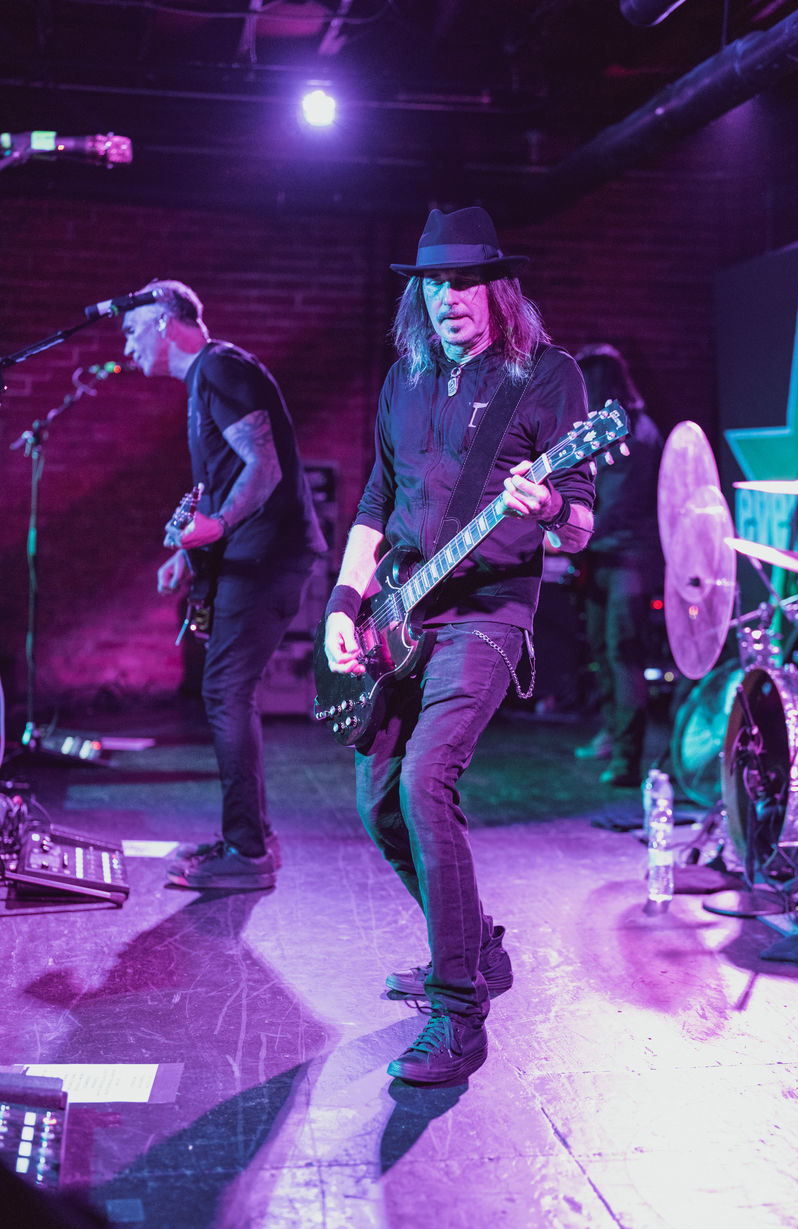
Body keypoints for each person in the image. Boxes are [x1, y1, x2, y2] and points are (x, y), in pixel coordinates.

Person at [322, 207, 595, 1085]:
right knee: (376, 805)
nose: (450, 299)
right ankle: (474, 948)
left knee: (424, 780)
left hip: (487, 612)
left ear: (499, 289)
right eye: (433, 284)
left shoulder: (547, 378)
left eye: (465, 282)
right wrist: (343, 601)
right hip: (400, 608)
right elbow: (375, 501)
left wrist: (547, 506)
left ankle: (457, 1012)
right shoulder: (403, 378)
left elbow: (582, 525)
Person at [121, 280, 326, 890]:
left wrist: (217, 526)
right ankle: (251, 838)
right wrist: (189, 555)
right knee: (227, 692)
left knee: (224, 692)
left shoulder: (220, 366)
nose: (128, 347)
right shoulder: (206, 379)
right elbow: (227, 472)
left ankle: (250, 851)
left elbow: (265, 466)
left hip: (269, 556)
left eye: (133, 331)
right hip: (254, 556)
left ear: (163, 321)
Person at [572, 344, 664, 787]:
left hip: (630, 559)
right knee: (601, 651)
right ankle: (612, 734)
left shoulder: (639, 433)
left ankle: (628, 757)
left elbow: (619, 507)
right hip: (602, 556)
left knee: (623, 655)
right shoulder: (604, 432)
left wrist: (565, 533)